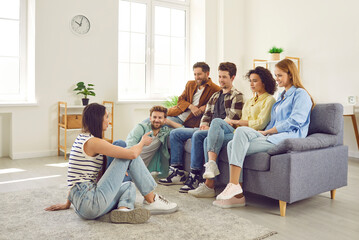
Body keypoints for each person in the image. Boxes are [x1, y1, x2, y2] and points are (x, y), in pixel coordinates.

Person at [45, 103, 178, 224]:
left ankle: (123, 210)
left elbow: (75, 179)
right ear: (98, 119)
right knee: (130, 154)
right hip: (90, 202)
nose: (109, 120)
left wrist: (67, 204)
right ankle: (152, 200)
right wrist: (142, 142)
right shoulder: (93, 142)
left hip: (83, 205)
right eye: (107, 117)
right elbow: (132, 154)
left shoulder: (82, 138)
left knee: (129, 186)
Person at [212, 59, 315, 208]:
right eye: (275, 75)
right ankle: (238, 196)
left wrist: (268, 131)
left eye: (279, 75)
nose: (276, 79)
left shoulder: (301, 94)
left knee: (236, 139)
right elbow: (274, 121)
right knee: (234, 142)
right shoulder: (281, 96)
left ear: (290, 74)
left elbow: (295, 121)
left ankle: (234, 187)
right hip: (272, 135)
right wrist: (264, 133)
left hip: (287, 137)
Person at [188, 66, 277, 199]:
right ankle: (209, 185)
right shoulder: (251, 100)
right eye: (250, 81)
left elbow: (260, 123)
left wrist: (236, 122)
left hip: (253, 134)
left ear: (264, 82)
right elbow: (242, 120)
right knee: (207, 140)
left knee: (217, 122)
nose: (251, 84)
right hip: (238, 132)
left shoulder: (270, 100)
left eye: (255, 81)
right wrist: (237, 123)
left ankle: (210, 176)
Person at [159, 62, 243, 193]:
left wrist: (209, 128)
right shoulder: (215, 96)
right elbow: (207, 114)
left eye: (224, 77)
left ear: (232, 78)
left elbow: (231, 120)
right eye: (220, 76)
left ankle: (195, 176)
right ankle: (177, 172)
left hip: (224, 130)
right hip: (208, 129)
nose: (221, 80)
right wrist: (204, 125)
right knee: (176, 133)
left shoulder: (237, 96)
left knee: (198, 136)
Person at [123, 105, 183, 178]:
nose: (157, 120)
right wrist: (141, 143)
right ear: (150, 118)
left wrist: (169, 122)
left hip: (140, 171)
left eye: (160, 118)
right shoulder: (141, 128)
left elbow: (182, 130)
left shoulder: (164, 132)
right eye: (154, 117)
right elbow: (129, 145)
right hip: (128, 165)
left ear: (164, 120)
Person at [165, 62, 221, 127]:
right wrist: (191, 107)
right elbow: (180, 100)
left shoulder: (216, 89)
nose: (196, 77)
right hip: (177, 115)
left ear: (207, 74)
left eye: (199, 74)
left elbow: (216, 106)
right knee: (151, 120)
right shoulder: (190, 84)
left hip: (191, 122)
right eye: (195, 74)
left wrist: (205, 107)